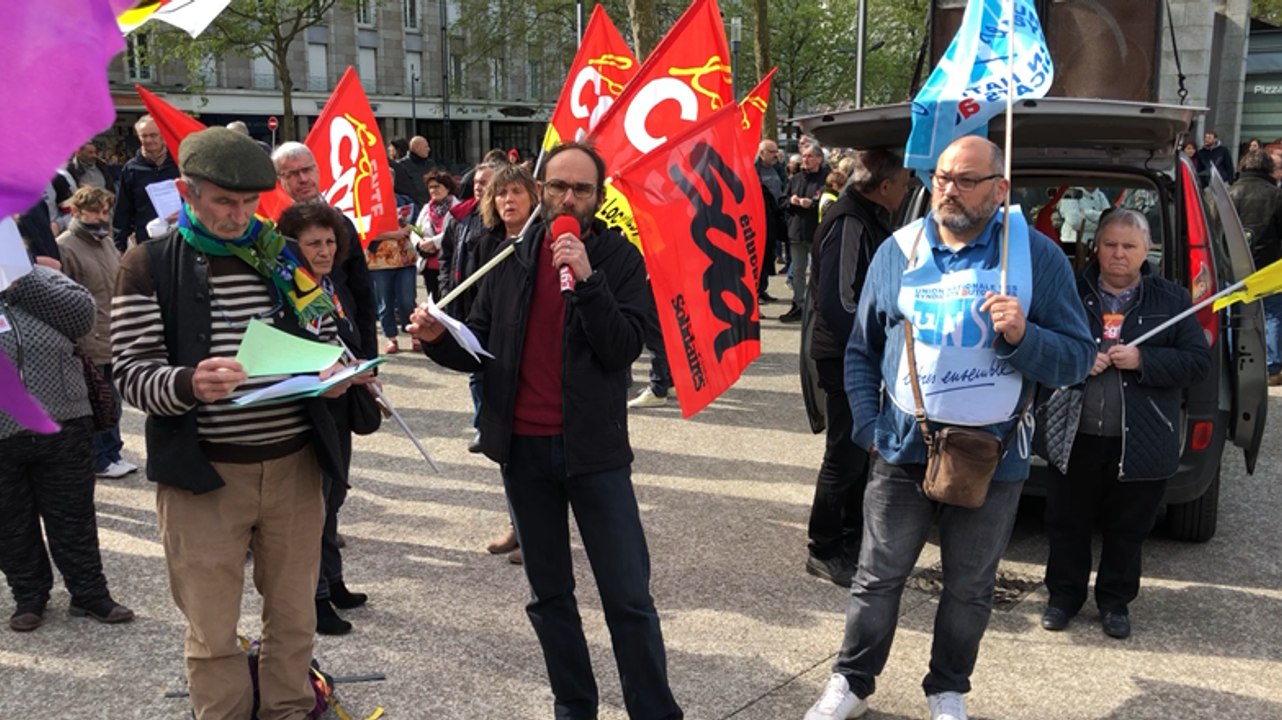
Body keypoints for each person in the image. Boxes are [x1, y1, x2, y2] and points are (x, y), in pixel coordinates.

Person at [804, 136, 1093, 720]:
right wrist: (867, 426)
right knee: (877, 576)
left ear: (1000, 189)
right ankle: (852, 682)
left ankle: (947, 688)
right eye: (941, 178)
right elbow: (862, 350)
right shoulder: (900, 250)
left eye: (965, 180)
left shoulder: (1035, 257)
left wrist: (1025, 337)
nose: (948, 191)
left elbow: (1078, 359)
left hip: (995, 454)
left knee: (969, 585)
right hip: (903, 447)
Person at [407, 141, 683, 719]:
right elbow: (481, 348)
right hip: (524, 454)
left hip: (595, 454)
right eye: (558, 186)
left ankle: (654, 711)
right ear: (539, 189)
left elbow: (622, 347)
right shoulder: (504, 256)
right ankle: (574, 706)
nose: (568, 198)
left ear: (598, 197)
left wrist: (588, 281)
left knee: (628, 598)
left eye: (582, 189)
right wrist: (438, 342)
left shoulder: (620, 259)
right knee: (549, 596)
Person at [112, 127, 354, 719]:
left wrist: (340, 370)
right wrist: (189, 383)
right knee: (212, 625)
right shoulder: (148, 263)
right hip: (203, 476)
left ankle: (289, 710)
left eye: (249, 204)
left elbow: (326, 337)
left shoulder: (281, 255)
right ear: (186, 192)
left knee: (295, 615)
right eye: (224, 201)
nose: (238, 216)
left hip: (294, 466)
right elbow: (130, 372)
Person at [1035, 209, 1210, 639]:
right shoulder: (1068, 292)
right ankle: (1063, 598)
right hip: (1071, 433)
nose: (1118, 254)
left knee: (1128, 528)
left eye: (1129, 246)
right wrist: (1074, 363)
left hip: (1141, 439)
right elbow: (1037, 347)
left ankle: (1115, 603)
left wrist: (1143, 360)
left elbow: (1197, 362)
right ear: (1097, 245)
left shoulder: (1170, 299)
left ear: (1145, 250)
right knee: (1066, 523)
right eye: (1110, 244)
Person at [0, 265, 135, 633]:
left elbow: (81, 316)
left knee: (73, 516)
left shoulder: (41, 278)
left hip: (64, 419)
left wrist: (19, 280)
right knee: (10, 522)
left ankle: (89, 593)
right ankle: (29, 595)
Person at [802, 149, 908, 588]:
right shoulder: (849, 221)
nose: (906, 192)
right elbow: (840, 300)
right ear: (884, 187)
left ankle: (850, 539)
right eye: (904, 184)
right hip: (843, 353)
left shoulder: (871, 217)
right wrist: (872, 348)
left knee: (859, 450)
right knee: (844, 453)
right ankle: (823, 547)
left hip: (858, 352)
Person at [277, 202, 381, 635]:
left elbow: (344, 334)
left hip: (340, 402)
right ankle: (314, 597)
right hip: (309, 408)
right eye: (312, 243)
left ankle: (333, 580)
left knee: (334, 497)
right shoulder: (286, 289)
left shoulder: (326, 284)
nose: (323, 250)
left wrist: (360, 368)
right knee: (314, 506)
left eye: (330, 242)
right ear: (292, 247)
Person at [469, 162, 540, 563]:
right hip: (494, 358)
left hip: (531, 364)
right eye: (501, 193)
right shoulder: (486, 245)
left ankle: (541, 535)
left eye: (516, 192)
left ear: (533, 197)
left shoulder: (541, 242)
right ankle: (517, 524)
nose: (508, 200)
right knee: (504, 447)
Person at [56, 186, 138, 480]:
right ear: (77, 212)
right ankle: (99, 458)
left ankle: (112, 452)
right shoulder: (65, 247)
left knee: (112, 401)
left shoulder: (105, 243)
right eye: (95, 211)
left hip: (113, 332)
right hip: (88, 339)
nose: (102, 217)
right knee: (95, 402)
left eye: (105, 211)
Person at [1228, 150, 1282, 385]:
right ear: (1269, 170)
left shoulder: (1228, 193)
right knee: (1271, 315)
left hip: (1231, 266)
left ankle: (1230, 363)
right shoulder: (1276, 195)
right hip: (1267, 266)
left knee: (1231, 316)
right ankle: (1272, 368)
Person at [112, 115, 180, 251]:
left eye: (153, 135)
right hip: (147, 239)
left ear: (163, 135)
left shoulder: (179, 164)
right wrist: (120, 245)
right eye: (144, 136)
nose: (148, 140)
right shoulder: (131, 169)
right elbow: (123, 209)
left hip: (179, 235)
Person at [779, 143, 827, 322]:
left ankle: (816, 305)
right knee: (798, 271)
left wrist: (813, 204)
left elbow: (831, 201)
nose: (805, 159)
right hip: (796, 232)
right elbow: (782, 201)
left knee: (818, 270)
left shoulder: (826, 178)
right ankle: (798, 304)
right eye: (804, 156)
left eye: (809, 156)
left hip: (816, 232)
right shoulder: (796, 178)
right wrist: (791, 200)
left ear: (819, 159)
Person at [415, 168, 459, 303]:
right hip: (429, 264)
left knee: (448, 301)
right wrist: (419, 243)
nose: (433, 190)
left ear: (447, 188)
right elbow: (416, 229)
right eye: (430, 187)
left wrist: (434, 242)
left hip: (449, 263)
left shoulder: (457, 207)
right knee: (433, 301)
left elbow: (455, 232)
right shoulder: (426, 209)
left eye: (437, 186)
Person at [393, 135, 436, 208]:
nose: (428, 149)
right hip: (413, 209)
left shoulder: (430, 164)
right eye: (426, 147)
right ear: (417, 148)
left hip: (430, 207)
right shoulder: (401, 166)